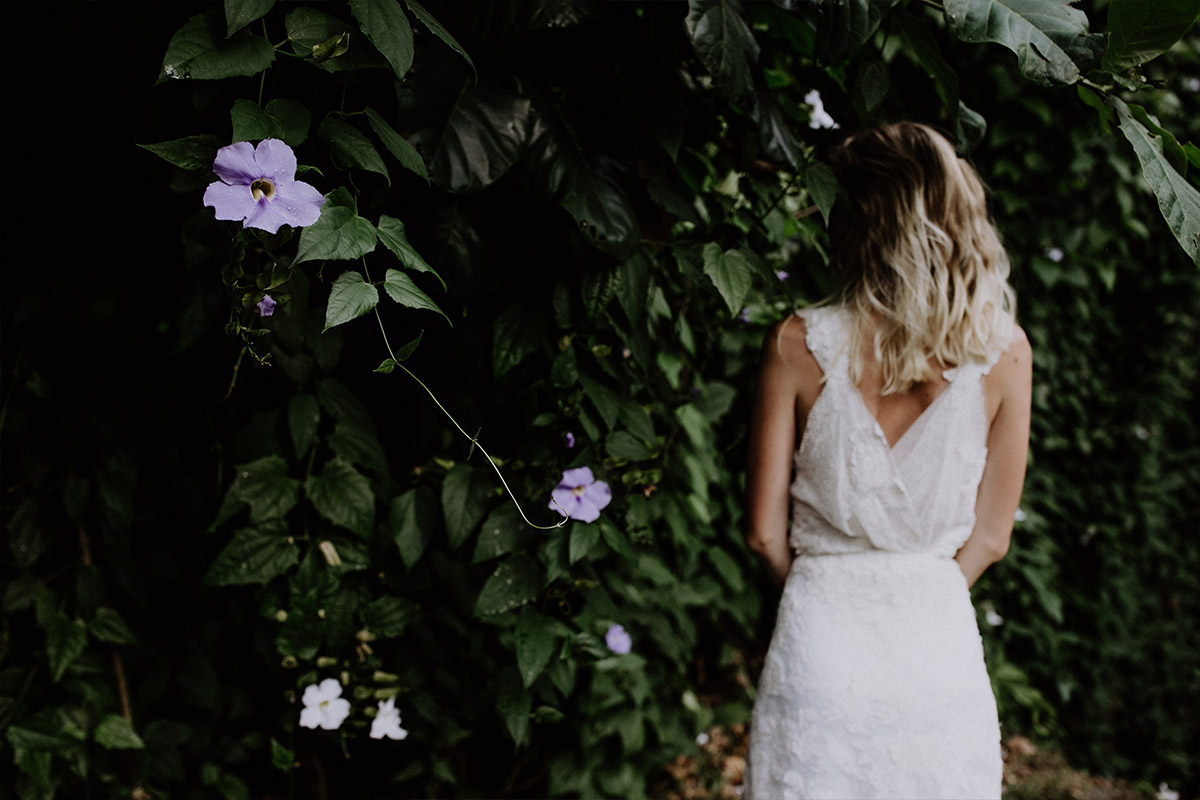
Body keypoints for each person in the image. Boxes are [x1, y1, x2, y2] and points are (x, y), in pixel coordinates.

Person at [741, 121, 1032, 799]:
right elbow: (992, 536)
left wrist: (827, 591)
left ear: (864, 219)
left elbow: (761, 530)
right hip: (937, 644)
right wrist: (917, 596)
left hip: (820, 638)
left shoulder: (797, 342)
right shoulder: (1004, 352)